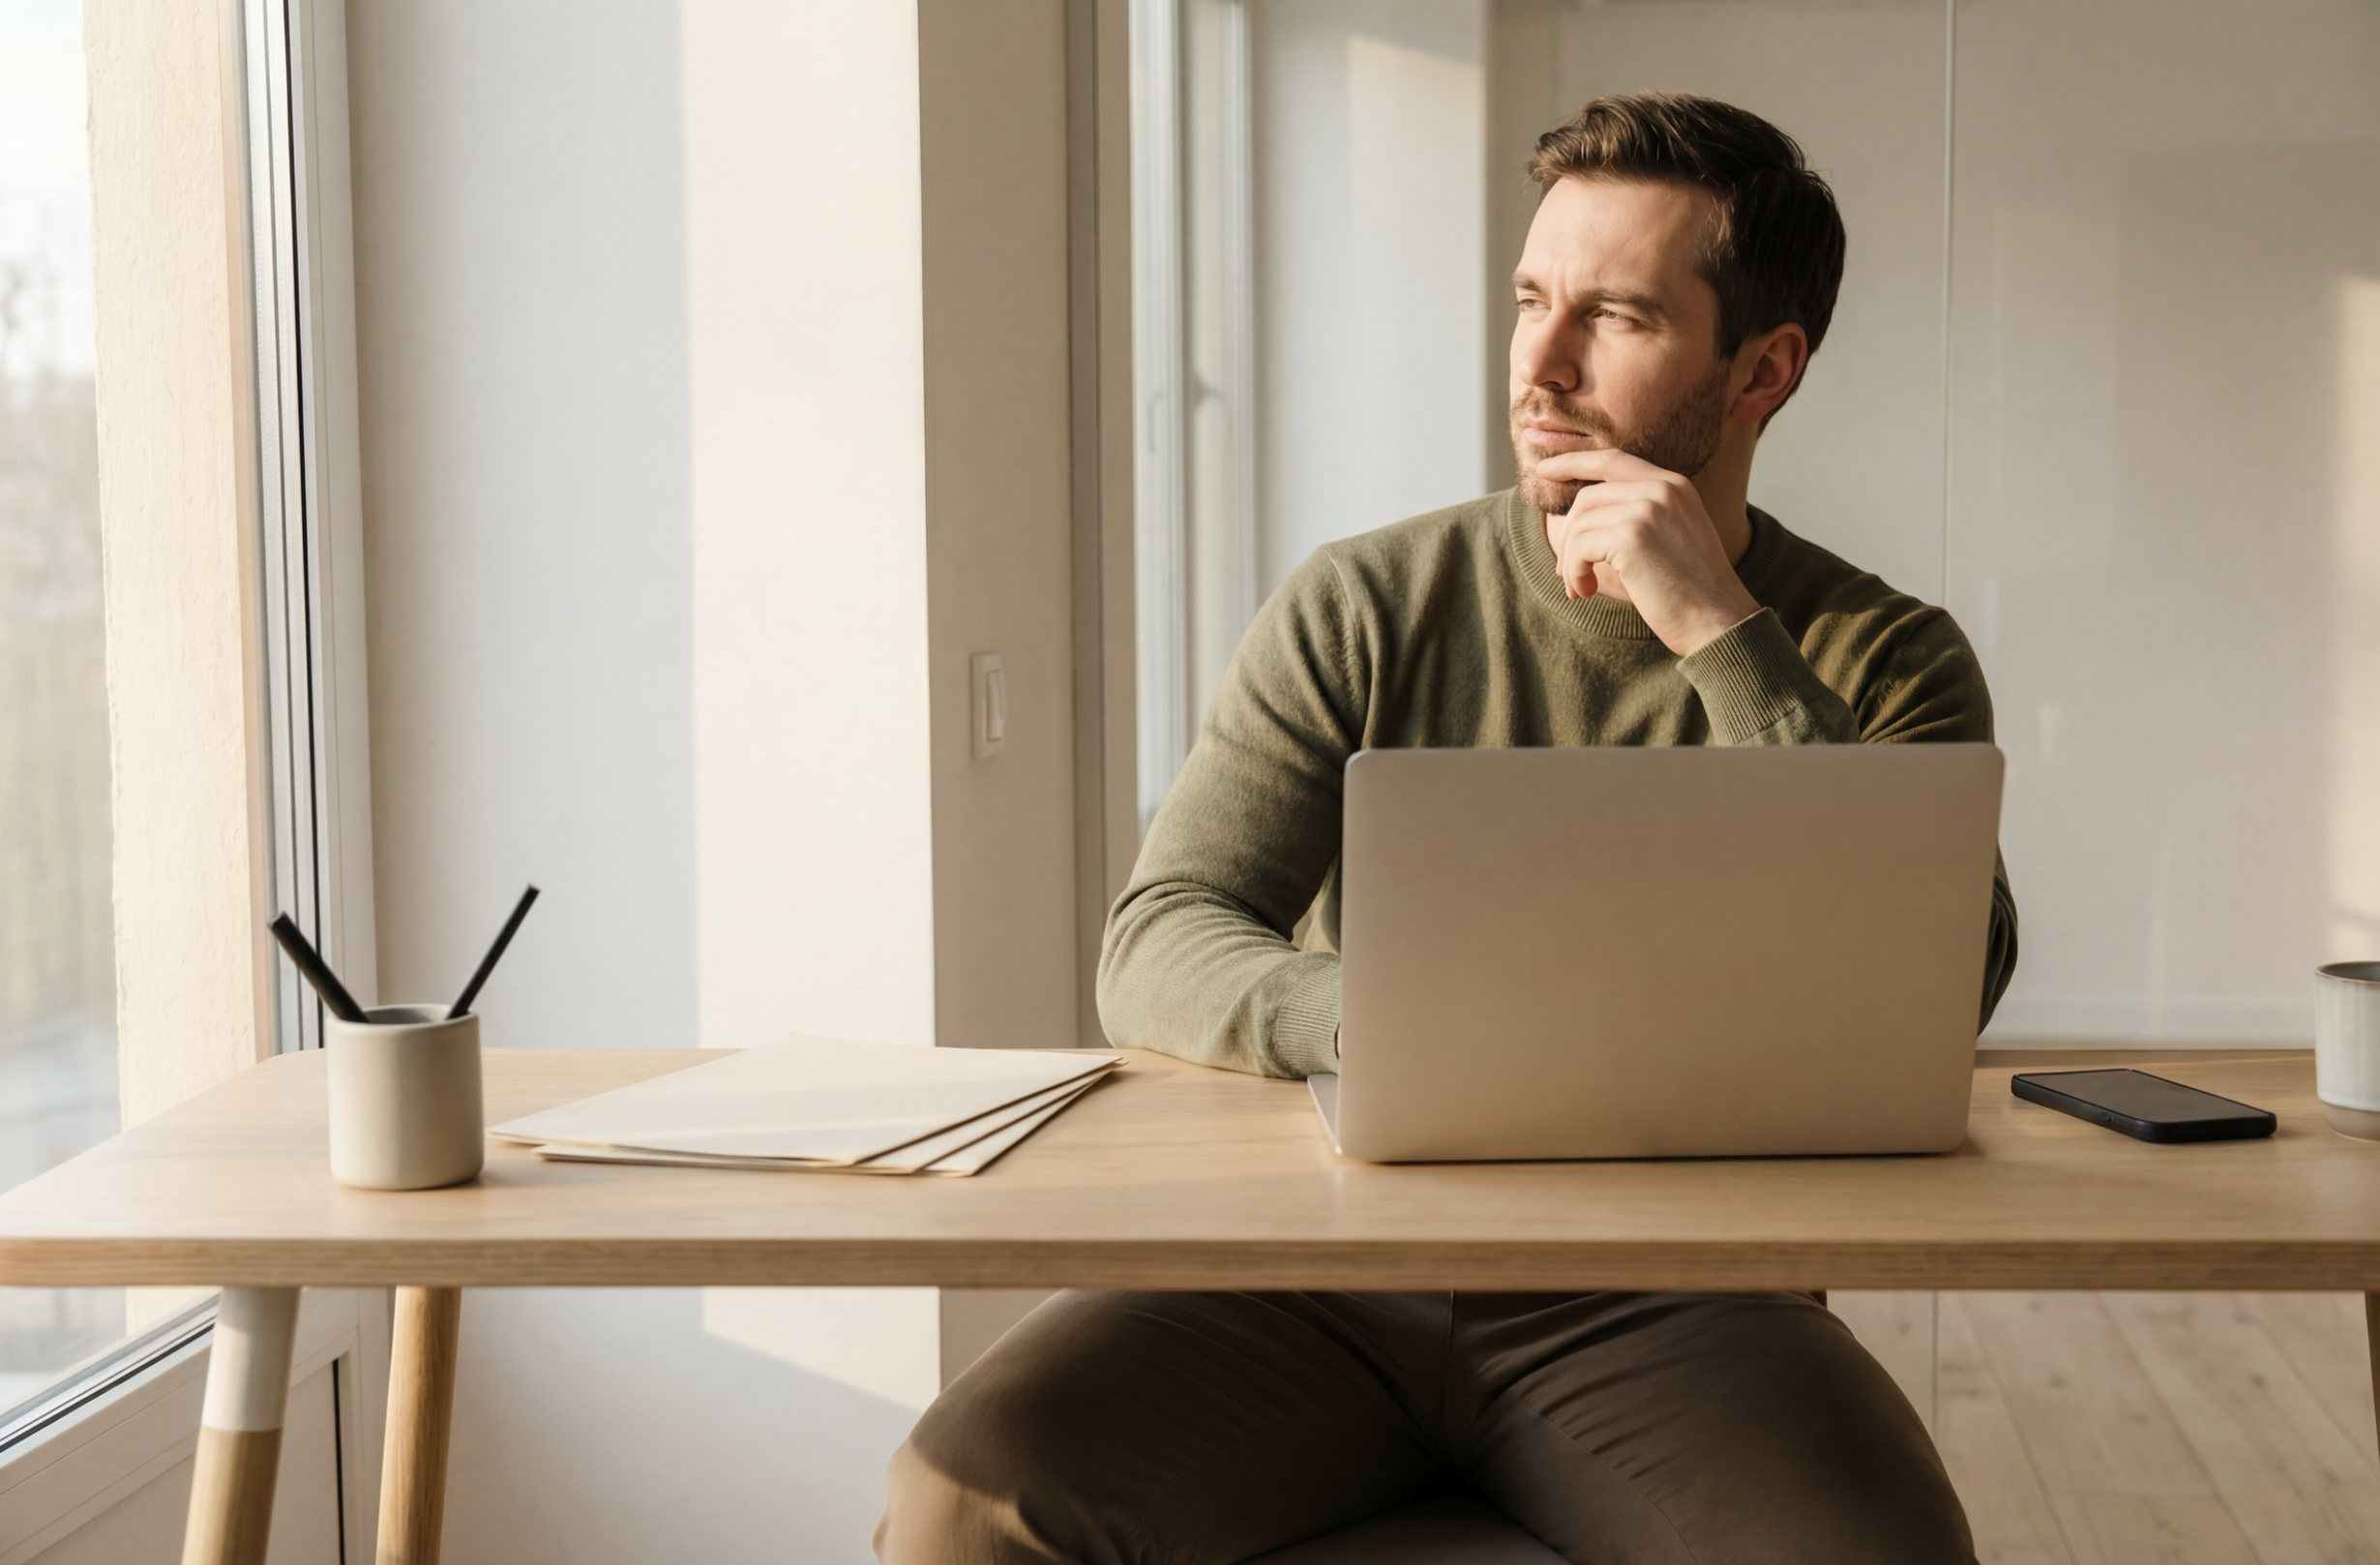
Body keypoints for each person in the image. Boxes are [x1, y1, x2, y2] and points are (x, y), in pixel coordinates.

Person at [876, 91, 2015, 1565]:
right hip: (1312, 1269)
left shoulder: (1887, 655)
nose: (1538, 364)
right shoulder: (1363, 600)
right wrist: (1407, 1025)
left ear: (1764, 370)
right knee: (969, 1499)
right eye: (1531, 298)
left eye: (1611, 315)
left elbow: (1936, 984)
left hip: (1688, 1293)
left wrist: (1723, 635)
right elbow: (1160, 938)